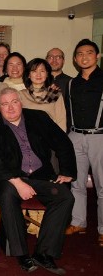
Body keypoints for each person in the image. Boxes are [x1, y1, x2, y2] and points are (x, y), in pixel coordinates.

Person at [0, 87, 76, 274]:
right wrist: (17, 182)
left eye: (14, 102)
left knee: (65, 196)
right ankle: (22, 254)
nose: (10, 108)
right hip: (12, 177)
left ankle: (44, 252)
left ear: (21, 103)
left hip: (41, 175)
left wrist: (67, 171)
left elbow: (63, 142)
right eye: (5, 104)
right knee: (7, 195)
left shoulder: (39, 117)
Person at [66, 39, 103, 247]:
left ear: (96, 56)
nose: (84, 56)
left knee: (102, 185)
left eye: (89, 52)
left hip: (100, 136)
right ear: (75, 58)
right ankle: (78, 222)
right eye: (80, 53)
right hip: (75, 136)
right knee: (76, 183)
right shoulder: (72, 83)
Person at [19, 58, 66, 131]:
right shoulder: (21, 94)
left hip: (50, 135)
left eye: (42, 71)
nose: (38, 74)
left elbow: (61, 120)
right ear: (28, 75)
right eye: (34, 71)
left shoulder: (54, 94)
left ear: (47, 74)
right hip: (28, 136)